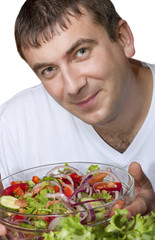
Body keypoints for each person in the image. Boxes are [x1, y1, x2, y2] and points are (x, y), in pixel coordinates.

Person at [0, 0, 155, 236]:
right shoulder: (15, 124)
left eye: (81, 52)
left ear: (123, 38)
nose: (72, 86)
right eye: (49, 70)